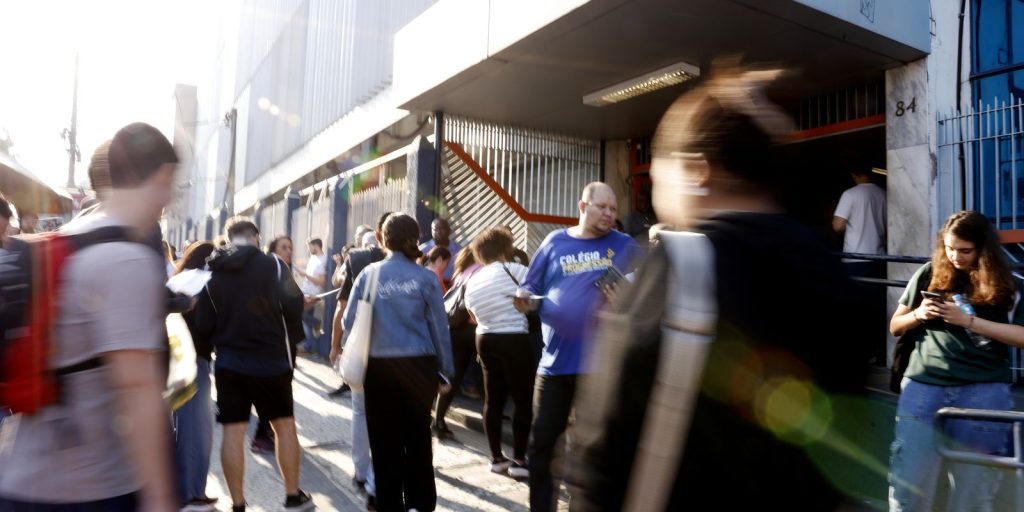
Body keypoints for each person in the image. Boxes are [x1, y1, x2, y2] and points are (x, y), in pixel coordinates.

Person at [567, 63, 871, 511]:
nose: (655, 193)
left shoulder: (678, 268)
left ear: (696, 170)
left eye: (658, 175)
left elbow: (603, 455)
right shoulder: (834, 279)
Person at [0, 122, 180, 511]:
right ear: (161, 175)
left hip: (26, 470)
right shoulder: (125, 259)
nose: (169, 197)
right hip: (87, 486)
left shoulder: (75, 233)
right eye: (171, 183)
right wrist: (162, 497)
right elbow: (136, 387)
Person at [512, 181, 642, 512]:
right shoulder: (555, 242)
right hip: (554, 366)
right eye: (603, 207)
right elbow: (530, 286)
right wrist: (524, 299)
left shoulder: (626, 245)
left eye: (614, 209)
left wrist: (628, 299)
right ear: (582, 207)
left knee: (590, 454)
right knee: (541, 446)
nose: (610, 214)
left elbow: (650, 292)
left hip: (600, 369)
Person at [888, 210, 1024, 511]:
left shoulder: (1010, 282)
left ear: (983, 249)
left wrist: (968, 322)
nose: (955, 257)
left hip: (984, 389)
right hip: (924, 386)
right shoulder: (929, 272)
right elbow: (895, 326)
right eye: (950, 248)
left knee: (974, 486)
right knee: (909, 480)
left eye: (965, 250)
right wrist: (918, 314)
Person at [194, 217, 313, 511]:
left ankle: (237, 503)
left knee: (233, 431)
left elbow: (204, 324)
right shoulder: (273, 265)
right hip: (272, 361)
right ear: (257, 237)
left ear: (228, 238)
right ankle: (292, 496)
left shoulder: (211, 269)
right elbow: (294, 306)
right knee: (284, 426)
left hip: (230, 363)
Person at [341, 213, 454, 512]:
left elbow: (349, 319)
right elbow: (439, 329)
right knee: (418, 439)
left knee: (384, 443)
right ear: (415, 238)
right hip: (420, 366)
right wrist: (445, 371)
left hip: (380, 368)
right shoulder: (427, 278)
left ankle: (390, 504)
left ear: (381, 239)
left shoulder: (369, 274)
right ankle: (421, 504)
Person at [328, 213, 391, 506]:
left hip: (361, 351)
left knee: (360, 413)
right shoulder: (412, 268)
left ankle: (360, 472)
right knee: (385, 419)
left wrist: (337, 345)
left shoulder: (357, 263)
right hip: (394, 355)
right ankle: (378, 482)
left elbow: (345, 313)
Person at [464, 227, 533, 479]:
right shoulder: (516, 270)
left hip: (484, 338)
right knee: (523, 401)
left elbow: (471, 312)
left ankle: (496, 458)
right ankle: (519, 460)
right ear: (506, 247)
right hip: (514, 338)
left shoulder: (473, 279)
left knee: (492, 400)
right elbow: (536, 297)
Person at [172, 241, 219, 512]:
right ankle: (190, 494)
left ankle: (188, 491)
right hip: (194, 362)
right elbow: (204, 324)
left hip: (176, 360)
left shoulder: (179, 279)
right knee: (195, 432)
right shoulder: (204, 282)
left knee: (185, 429)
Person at [251, 235, 304, 454]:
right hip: (279, 340)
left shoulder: (277, 269)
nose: (288, 251)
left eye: (290, 247)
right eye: (284, 247)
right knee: (277, 388)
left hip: (278, 339)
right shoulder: (275, 267)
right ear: (272, 249)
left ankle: (268, 433)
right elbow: (290, 304)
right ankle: (264, 434)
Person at [432, 245, 483, 439]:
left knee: (452, 378)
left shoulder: (461, 273)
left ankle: (438, 421)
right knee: (489, 374)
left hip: (455, 329)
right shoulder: (482, 269)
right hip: (473, 327)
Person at [295, 237, 328, 354]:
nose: (308, 249)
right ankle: (307, 344)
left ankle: (309, 343)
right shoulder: (313, 258)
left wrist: (305, 274)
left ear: (316, 245)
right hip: (306, 292)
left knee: (304, 316)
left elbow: (322, 281)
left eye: (309, 246)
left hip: (315, 294)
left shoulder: (324, 260)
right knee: (302, 317)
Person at [418, 217, 461, 284]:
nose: (438, 232)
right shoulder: (423, 250)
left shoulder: (458, 250)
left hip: (453, 286)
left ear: (449, 231)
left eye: (441, 228)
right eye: (435, 229)